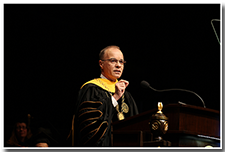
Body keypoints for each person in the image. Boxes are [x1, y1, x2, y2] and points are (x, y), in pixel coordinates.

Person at [74, 45, 139, 146]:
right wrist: (114, 98)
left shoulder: (126, 95)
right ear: (101, 63)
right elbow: (89, 129)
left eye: (121, 62)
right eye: (113, 61)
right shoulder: (91, 89)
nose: (118, 65)